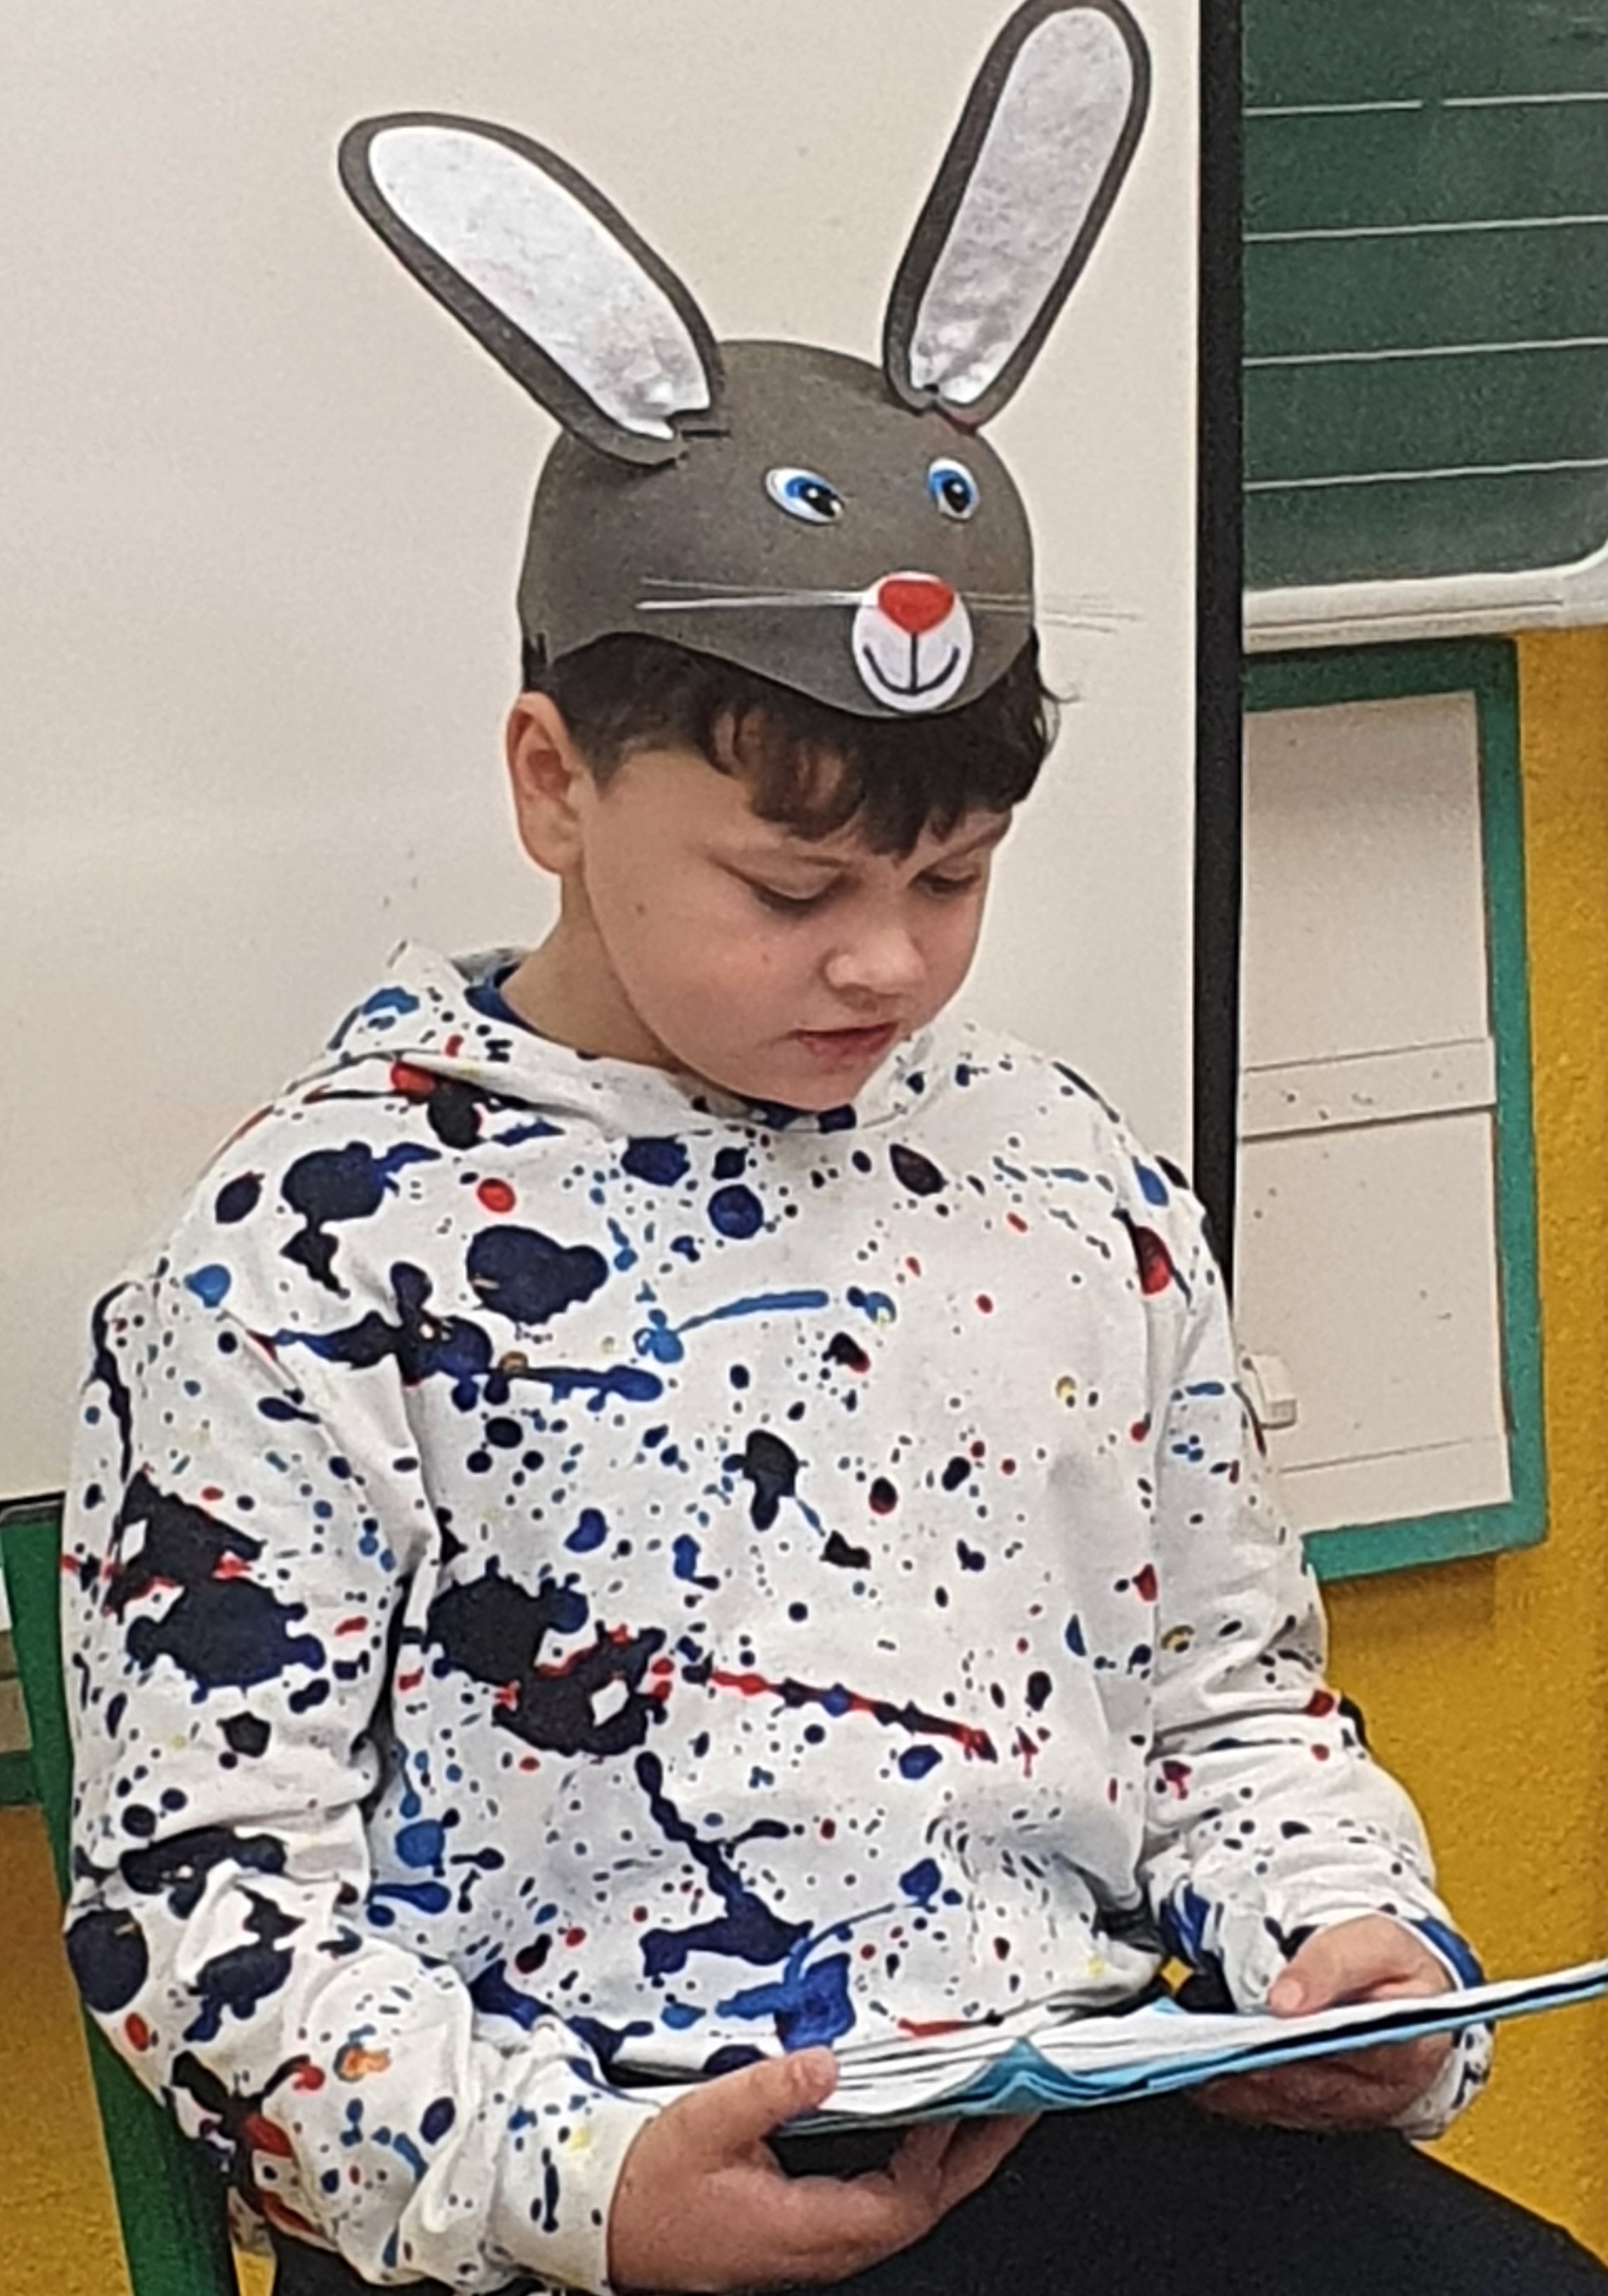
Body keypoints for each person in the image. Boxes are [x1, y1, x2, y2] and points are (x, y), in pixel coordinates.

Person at [59, 8, 1608, 2292]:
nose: (884, 960)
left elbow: (1227, 1701)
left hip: (1060, 2128)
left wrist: (1338, 1949)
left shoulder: (1056, 1173)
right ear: (553, 782)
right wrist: (590, 2195)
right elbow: (206, 1904)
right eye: (791, 888)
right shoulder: (309, 1253)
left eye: (950, 875)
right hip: (583, 2189)